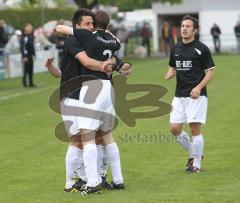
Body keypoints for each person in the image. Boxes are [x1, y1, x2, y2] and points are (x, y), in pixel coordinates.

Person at [55, 10, 126, 194]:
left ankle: (92, 181)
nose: (90, 27)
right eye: (86, 24)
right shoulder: (111, 40)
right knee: (98, 137)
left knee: (89, 138)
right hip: (83, 93)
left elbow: (86, 62)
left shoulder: (87, 36)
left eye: (91, 23)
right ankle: (112, 179)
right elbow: (114, 54)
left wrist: (107, 66)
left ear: (95, 25)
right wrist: (114, 65)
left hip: (92, 89)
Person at [165, 15, 215, 173]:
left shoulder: (202, 49)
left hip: (196, 96)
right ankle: (194, 153)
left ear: (195, 30)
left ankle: (196, 165)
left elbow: (210, 72)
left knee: (194, 128)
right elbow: (172, 66)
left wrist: (199, 87)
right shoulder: (176, 48)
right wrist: (170, 72)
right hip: (179, 96)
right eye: (182, 26)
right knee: (174, 128)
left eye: (187, 26)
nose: (184, 28)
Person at [20, 23, 36, 87]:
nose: (31, 28)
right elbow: (22, 47)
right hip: (26, 56)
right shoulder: (24, 37)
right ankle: (24, 83)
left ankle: (31, 83)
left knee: (31, 69)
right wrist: (24, 56)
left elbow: (32, 47)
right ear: (25, 28)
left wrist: (34, 54)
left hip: (30, 55)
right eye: (29, 27)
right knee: (26, 70)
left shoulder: (30, 36)